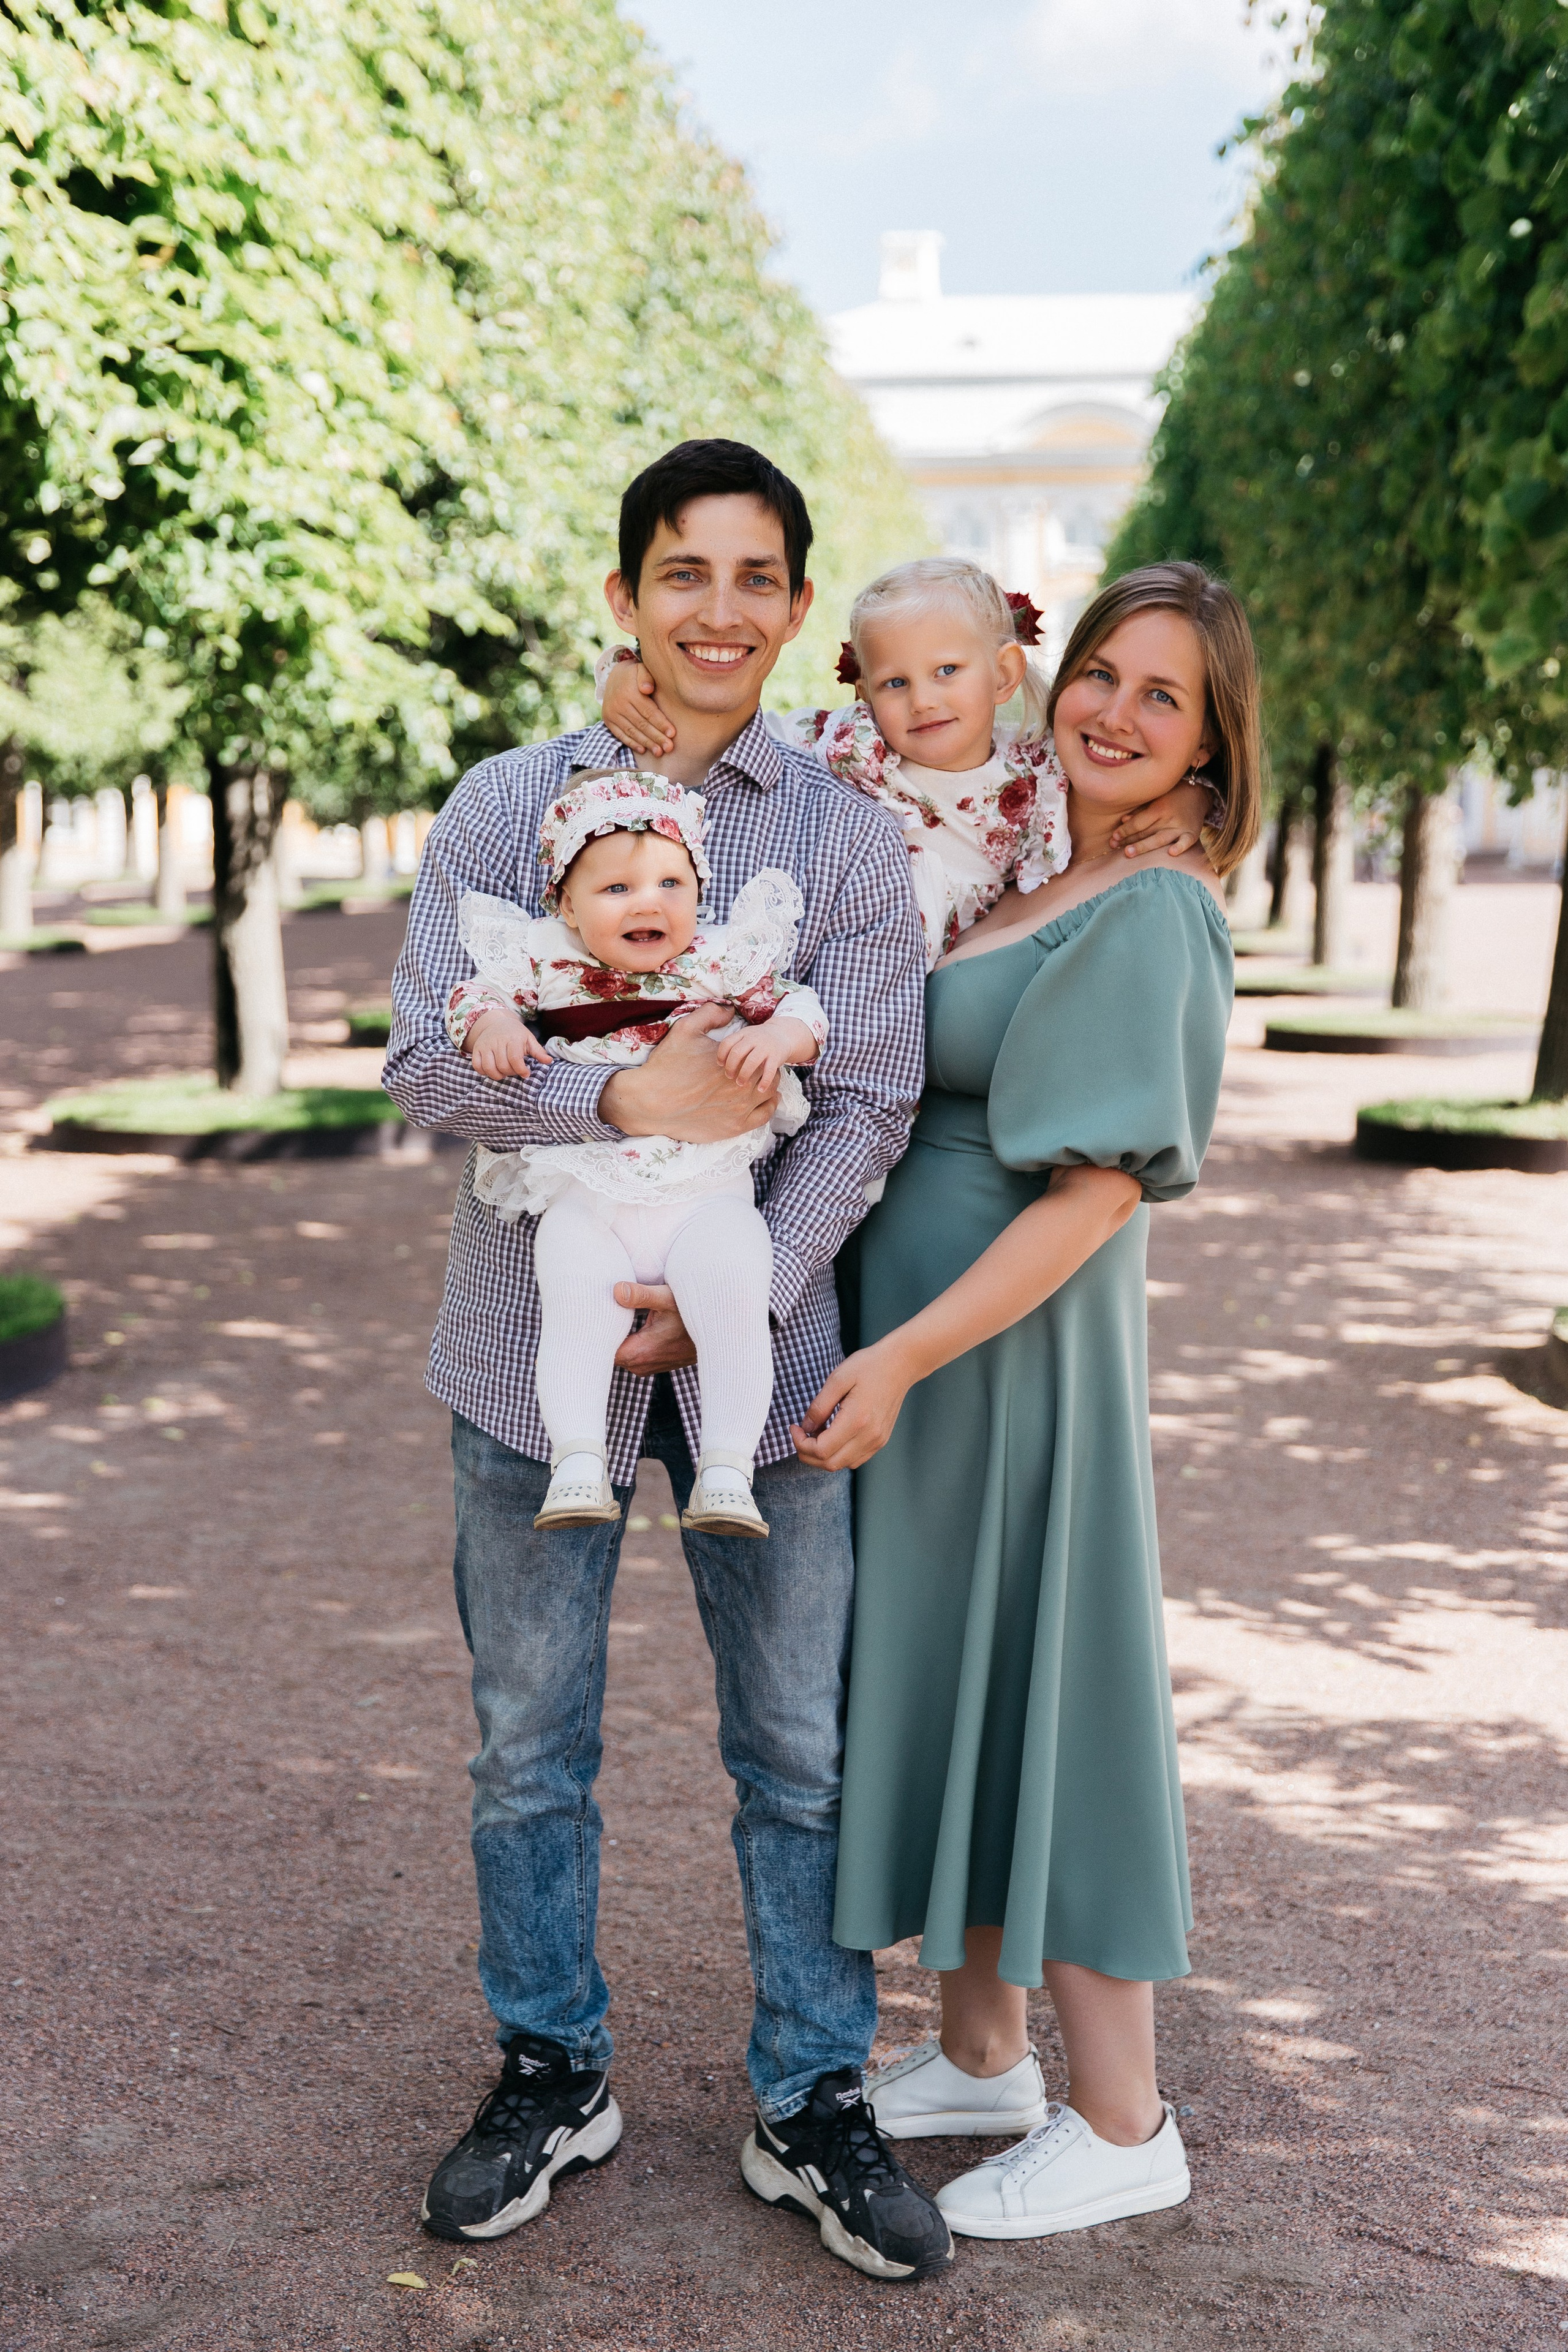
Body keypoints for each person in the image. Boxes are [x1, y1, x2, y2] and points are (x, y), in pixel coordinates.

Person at [383, 439, 955, 2282]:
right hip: (522, 1336)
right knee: (524, 1743)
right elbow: (421, 1059)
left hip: (754, 1353)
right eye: (682, 572)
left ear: (792, 604)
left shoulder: (840, 835)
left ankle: (811, 2090)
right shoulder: (502, 805)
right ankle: (551, 2067)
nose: (720, 608)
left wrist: (745, 1292)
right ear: (623, 593)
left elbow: (868, 1096)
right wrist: (618, 1097)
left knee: (798, 1745)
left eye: (756, 575)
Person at [792, 562, 1261, 2239]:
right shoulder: (1044, 869)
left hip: (1013, 1358)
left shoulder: (1155, 908)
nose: (1115, 713)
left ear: (1210, 745)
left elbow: (1098, 1192)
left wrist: (904, 1352)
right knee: (959, 1678)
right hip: (944, 1358)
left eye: (1163, 696)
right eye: (1104, 673)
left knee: (1055, 1688)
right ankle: (982, 2051)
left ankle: (1127, 2120)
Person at [445, 767, 827, 1539]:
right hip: (592, 1191)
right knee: (573, 1303)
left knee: (736, 1294)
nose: (648, 903)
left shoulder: (721, 957)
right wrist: (495, 1026)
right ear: (566, 905)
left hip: (707, 1193)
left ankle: (728, 1471)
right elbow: (471, 997)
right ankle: (576, 1462)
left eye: (669, 883)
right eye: (616, 888)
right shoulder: (547, 957)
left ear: (698, 889)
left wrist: (779, 1037)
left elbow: (800, 1006)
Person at [599, 553, 1217, 968]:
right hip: (821, 968)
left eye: (947, 671)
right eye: (895, 683)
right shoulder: (852, 744)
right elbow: (733, 728)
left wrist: (1194, 797)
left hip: (916, 1006)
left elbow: (1132, 770)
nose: (922, 701)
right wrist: (626, 671)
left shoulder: (1038, 769)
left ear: (1003, 674)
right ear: (866, 694)